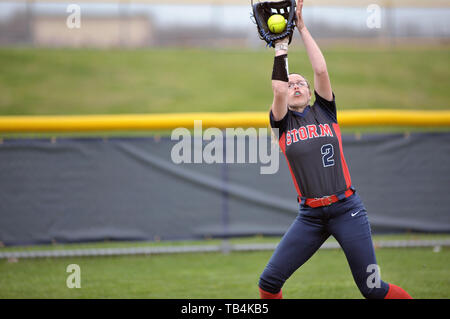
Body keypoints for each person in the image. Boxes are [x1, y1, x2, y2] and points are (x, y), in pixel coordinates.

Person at [258, 0, 412, 299]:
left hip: (347, 210)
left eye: (301, 83)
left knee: (372, 289)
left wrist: (301, 28)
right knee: (268, 283)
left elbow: (321, 69)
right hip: (310, 216)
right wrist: (281, 47)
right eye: (292, 85)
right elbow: (277, 88)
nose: (298, 85)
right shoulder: (281, 123)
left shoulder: (325, 111)